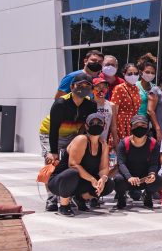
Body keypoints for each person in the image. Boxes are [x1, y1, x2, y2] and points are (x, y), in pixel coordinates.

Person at [41, 73, 98, 211]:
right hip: (50, 133)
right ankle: (51, 198)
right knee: (52, 163)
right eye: (79, 85)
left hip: (73, 134)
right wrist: (53, 151)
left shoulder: (91, 105)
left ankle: (69, 194)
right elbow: (54, 129)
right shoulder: (61, 103)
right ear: (72, 87)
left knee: (70, 163)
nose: (83, 88)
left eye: (87, 86)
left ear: (91, 89)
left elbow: (86, 126)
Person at [47, 113, 111, 215]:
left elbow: (104, 168)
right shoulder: (81, 139)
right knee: (72, 173)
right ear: (86, 126)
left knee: (109, 184)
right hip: (60, 181)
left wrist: (102, 180)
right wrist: (92, 179)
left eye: (99, 123)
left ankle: (80, 198)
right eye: (92, 123)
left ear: (104, 126)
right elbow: (73, 165)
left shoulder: (103, 144)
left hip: (80, 181)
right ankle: (64, 205)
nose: (96, 125)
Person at [114, 115, 162, 209]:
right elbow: (121, 163)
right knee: (117, 180)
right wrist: (129, 177)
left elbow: (154, 163)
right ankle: (121, 196)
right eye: (136, 125)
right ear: (131, 127)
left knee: (158, 180)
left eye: (143, 125)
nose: (139, 128)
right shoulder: (124, 143)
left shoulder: (153, 143)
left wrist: (152, 174)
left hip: (144, 178)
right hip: (128, 179)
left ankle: (148, 195)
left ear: (147, 127)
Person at [110, 63, 144, 140]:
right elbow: (114, 110)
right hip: (121, 123)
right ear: (124, 74)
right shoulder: (119, 88)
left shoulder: (136, 89)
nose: (133, 76)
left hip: (133, 123)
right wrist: (114, 129)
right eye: (130, 74)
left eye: (136, 73)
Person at [90, 77, 116, 146]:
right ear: (92, 89)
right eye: (98, 87)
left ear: (107, 89)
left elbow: (113, 127)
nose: (101, 89)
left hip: (104, 143)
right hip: (89, 142)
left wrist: (116, 145)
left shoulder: (111, 105)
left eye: (104, 87)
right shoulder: (88, 104)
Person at [137, 54, 160, 125]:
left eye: (152, 73)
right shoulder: (135, 86)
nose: (150, 74)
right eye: (147, 72)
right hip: (136, 121)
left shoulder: (155, 88)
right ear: (141, 72)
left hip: (149, 123)